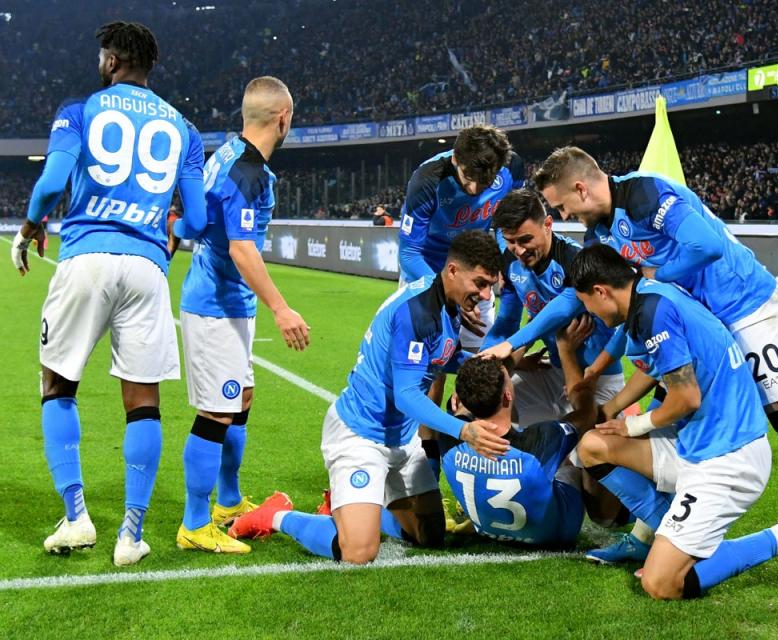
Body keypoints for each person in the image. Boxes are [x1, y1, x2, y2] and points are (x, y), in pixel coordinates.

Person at [513, 145, 778, 605]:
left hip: (744, 307)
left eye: (560, 205)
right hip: (697, 317)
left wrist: (655, 272)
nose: (563, 214)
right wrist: (519, 342)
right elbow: (588, 294)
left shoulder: (645, 195)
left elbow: (709, 246)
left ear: (580, 187)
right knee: (662, 415)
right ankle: (652, 531)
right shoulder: (601, 229)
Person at [10, 21, 207, 566]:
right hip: (146, 268)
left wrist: (30, 226)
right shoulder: (185, 129)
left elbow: (52, 181)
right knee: (143, 401)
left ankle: (76, 519)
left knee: (58, 384)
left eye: (103, 56)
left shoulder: (81, 109)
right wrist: (164, 226)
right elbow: (196, 215)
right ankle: (131, 534)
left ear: (114, 61)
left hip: (87, 259)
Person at [226, 231, 505, 563]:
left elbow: (439, 357)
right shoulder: (417, 312)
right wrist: (463, 430)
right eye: (481, 283)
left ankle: (352, 508)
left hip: (400, 437)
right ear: (454, 270)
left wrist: (504, 360)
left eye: (491, 285)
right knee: (359, 552)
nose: (486, 294)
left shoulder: (448, 300)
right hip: (360, 434)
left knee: (430, 535)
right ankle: (274, 515)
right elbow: (405, 395)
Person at [569, 245, 778, 601]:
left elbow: (686, 398)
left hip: (728, 459)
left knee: (660, 584)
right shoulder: (648, 296)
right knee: (592, 446)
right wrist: (611, 411)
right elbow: (657, 369)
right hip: (693, 445)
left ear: (601, 292)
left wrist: (632, 426)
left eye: (586, 303)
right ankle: (667, 532)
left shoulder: (654, 312)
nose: (588, 312)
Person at [174, 77, 311, 554]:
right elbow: (242, 250)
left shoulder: (226, 154)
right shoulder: (249, 172)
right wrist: (282, 308)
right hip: (216, 306)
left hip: (227, 303)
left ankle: (228, 503)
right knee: (216, 410)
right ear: (283, 118)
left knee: (241, 398)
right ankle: (194, 523)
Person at [440, 318, 665, 548]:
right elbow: (586, 414)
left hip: (489, 527)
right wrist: (566, 351)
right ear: (508, 395)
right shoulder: (540, 439)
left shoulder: (448, 435)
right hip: (556, 533)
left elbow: (465, 403)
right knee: (585, 446)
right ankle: (634, 512)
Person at [482, 189, 624, 425]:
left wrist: (509, 345)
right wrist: (486, 366)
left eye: (526, 239)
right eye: (511, 241)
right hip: (552, 373)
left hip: (597, 379)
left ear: (548, 224)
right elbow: (509, 320)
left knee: (584, 455)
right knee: (488, 407)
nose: (519, 250)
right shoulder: (510, 263)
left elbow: (564, 308)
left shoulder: (574, 259)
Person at [397, 124, 524, 350]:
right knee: (431, 367)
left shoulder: (512, 167)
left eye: (485, 182)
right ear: (455, 159)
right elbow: (409, 253)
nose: (474, 189)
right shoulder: (427, 179)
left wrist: (507, 261)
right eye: (468, 176)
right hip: (428, 273)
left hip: (476, 271)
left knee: (481, 357)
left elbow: (507, 225)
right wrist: (446, 293)